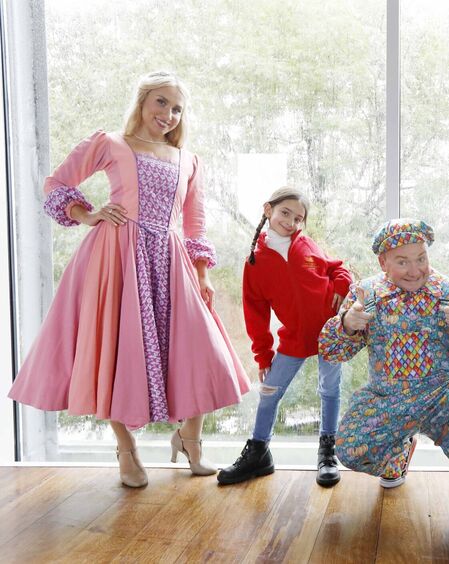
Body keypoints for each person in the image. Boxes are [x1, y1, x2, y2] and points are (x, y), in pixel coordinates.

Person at [8, 71, 250, 487]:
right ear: (141, 101)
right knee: (117, 352)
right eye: (161, 102)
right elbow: (56, 183)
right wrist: (87, 215)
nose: (169, 114)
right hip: (116, 257)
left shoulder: (189, 160)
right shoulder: (110, 143)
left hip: (172, 259)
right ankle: (126, 450)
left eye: (177, 108)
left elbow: (194, 222)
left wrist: (202, 273)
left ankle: (190, 440)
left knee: (201, 352)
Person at [319, 219, 449, 542]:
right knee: (350, 449)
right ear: (383, 263)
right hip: (387, 397)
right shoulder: (365, 294)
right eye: (403, 261)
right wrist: (347, 324)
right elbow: (332, 350)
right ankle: (399, 450)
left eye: (420, 258)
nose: (415, 270)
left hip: (442, 393)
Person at [217, 187, 352, 487]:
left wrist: (341, 287)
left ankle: (327, 450)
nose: (290, 222)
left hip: (330, 333)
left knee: (330, 390)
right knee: (269, 392)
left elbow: (338, 269)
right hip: (293, 339)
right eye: (285, 213)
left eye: (298, 218)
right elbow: (255, 314)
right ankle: (259, 452)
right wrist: (263, 354)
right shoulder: (255, 261)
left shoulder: (305, 245)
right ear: (268, 210)